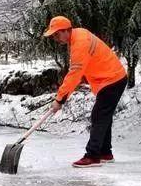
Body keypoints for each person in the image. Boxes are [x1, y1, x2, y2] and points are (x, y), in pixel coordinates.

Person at [44, 16, 128, 168]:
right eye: (54, 35)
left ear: (66, 31)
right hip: (109, 79)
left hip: (112, 79)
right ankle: (105, 153)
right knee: (103, 116)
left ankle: (93, 155)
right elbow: (84, 66)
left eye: (57, 34)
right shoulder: (78, 35)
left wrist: (60, 99)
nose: (55, 38)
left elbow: (74, 74)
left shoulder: (80, 43)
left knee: (99, 115)